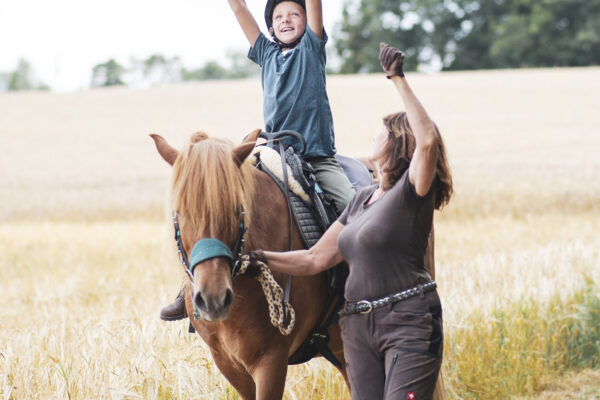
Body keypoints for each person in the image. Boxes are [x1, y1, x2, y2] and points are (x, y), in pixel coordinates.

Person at [247, 43, 453, 399]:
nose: (374, 135)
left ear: (398, 143)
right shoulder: (360, 200)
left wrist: (397, 79)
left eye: (382, 131)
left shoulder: (411, 193)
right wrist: (260, 258)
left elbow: (428, 141)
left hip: (407, 322)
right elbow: (315, 259)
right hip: (358, 327)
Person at [160, 0, 355, 321]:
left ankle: (364, 280)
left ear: (309, 22)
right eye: (279, 17)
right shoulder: (266, 53)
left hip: (315, 156)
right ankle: (190, 286)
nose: (287, 20)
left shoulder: (311, 47)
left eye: (295, 14)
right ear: (270, 27)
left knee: (355, 208)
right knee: (220, 200)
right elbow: (239, 11)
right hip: (272, 151)